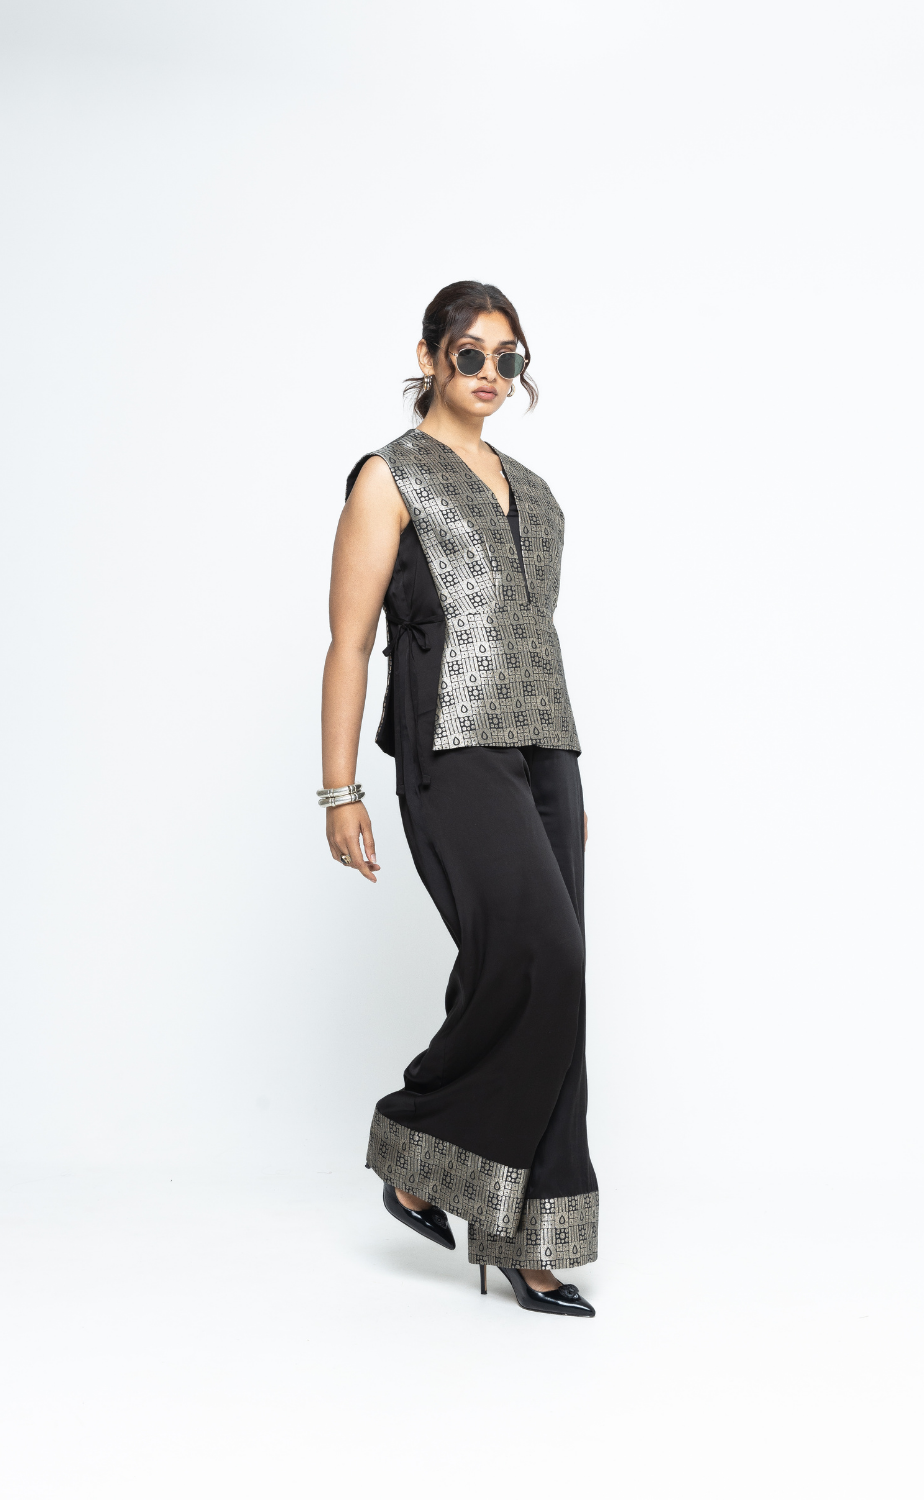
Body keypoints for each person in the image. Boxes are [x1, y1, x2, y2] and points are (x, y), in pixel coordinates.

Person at [320, 281, 598, 1318]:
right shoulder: (389, 476)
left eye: (507, 358)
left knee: (556, 986)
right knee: (538, 959)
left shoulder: (538, 491)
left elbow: (533, 637)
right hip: (451, 748)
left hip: (547, 753)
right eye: (471, 353)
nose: (490, 374)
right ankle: (417, 1144)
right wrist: (340, 789)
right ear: (431, 356)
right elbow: (350, 642)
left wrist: (567, 784)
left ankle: (528, 1239)